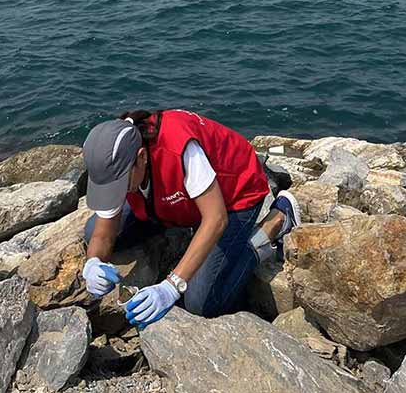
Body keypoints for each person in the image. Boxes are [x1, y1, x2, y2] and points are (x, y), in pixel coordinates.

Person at [82, 109, 301, 327]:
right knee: (92, 232)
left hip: (233, 196)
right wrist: (93, 263)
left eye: (119, 185)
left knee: (201, 302)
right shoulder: (114, 157)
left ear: (141, 157)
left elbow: (216, 219)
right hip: (178, 201)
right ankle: (176, 221)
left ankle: (276, 222)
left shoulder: (180, 148)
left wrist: (171, 286)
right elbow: (103, 234)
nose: (116, 194)